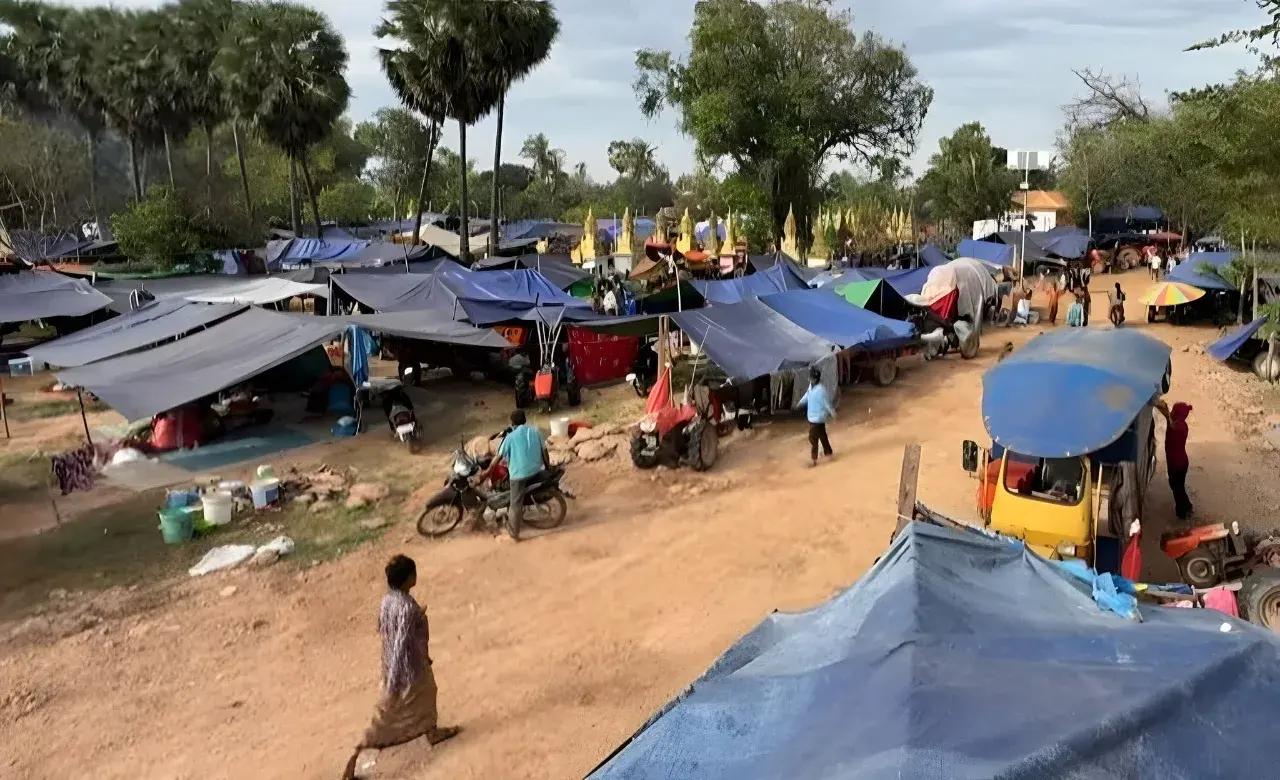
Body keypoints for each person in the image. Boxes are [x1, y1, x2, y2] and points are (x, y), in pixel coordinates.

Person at [343, 555, 459, 779]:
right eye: (413, 573)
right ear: (408, 579)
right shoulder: (406, 606)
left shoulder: (388, 600)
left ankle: (431, 730)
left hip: (395, 665)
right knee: (396, 710)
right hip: (408, 669)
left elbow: (382, 628)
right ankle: (358, 750)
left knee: (424, 697)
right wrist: (393, 681)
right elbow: (401, 643)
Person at [484, 409, 549, 541]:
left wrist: (486, 472)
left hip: (519, 477)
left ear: (512, 422)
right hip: (536, 471)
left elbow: (497, 458)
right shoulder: (535, 431)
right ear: (524, 420)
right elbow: (545, 452)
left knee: (515, 504)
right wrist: (548, 467)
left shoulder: (509, 438)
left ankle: (514, 534)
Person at [1156, 400, 1194, 521]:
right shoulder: (1182, 425)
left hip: (1176, 465)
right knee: (1179, 487)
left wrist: (1162, 408)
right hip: (1181, 463)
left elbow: (1169, 421)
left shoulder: (1177, 428)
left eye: (1174, 411)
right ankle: (1187, 507)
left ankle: (1182, 513)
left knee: (1176, 488)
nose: (1172, 412)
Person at [796, 366, 835, 466]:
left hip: (816, 418)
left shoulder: (821, 390)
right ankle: (829, 454)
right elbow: (807, 395)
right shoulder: (811, 386)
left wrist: (832, 412)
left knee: (813, 438)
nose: (809, 379)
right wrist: (801, 402)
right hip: (815, 417)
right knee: (823, 436)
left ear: (814, 378)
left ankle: (813, 460)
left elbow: (827, 403)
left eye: (810, 377)